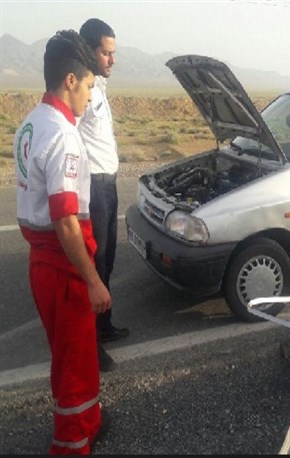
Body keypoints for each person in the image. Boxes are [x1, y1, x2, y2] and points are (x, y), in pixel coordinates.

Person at [13, 29, 111, 454]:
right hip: (64, 264)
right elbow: (66, 221)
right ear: (70, 80)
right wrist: (93, 280)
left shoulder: (31, 123)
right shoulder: (64, 136)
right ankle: (71, 442)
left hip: (43, 262)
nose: (90, 96)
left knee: (73, 355)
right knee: (75, 363)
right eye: (89, 85)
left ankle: (89, 421)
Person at [78, 18, 129, 371]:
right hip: (92, 187)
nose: (112, 60)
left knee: (108, 258)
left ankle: (104, 325)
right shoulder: (80, 90)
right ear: (89, 50)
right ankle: (90, 345)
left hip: (108, 185)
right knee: (93, 265)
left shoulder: (100, 87)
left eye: (113, 53)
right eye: (106, 53)